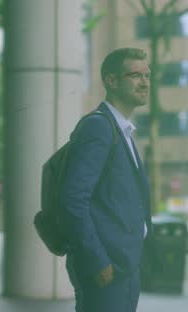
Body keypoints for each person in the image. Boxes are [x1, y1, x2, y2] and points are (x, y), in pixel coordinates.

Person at [63, 47, 153, 311]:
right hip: (106, 267)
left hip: (124, 264)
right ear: (111, 81)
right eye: (135, 75)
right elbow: (73, 200)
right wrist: (97, 261)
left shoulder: (120, 130)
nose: (145, 82)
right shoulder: (99, 127)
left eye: (147, 75)